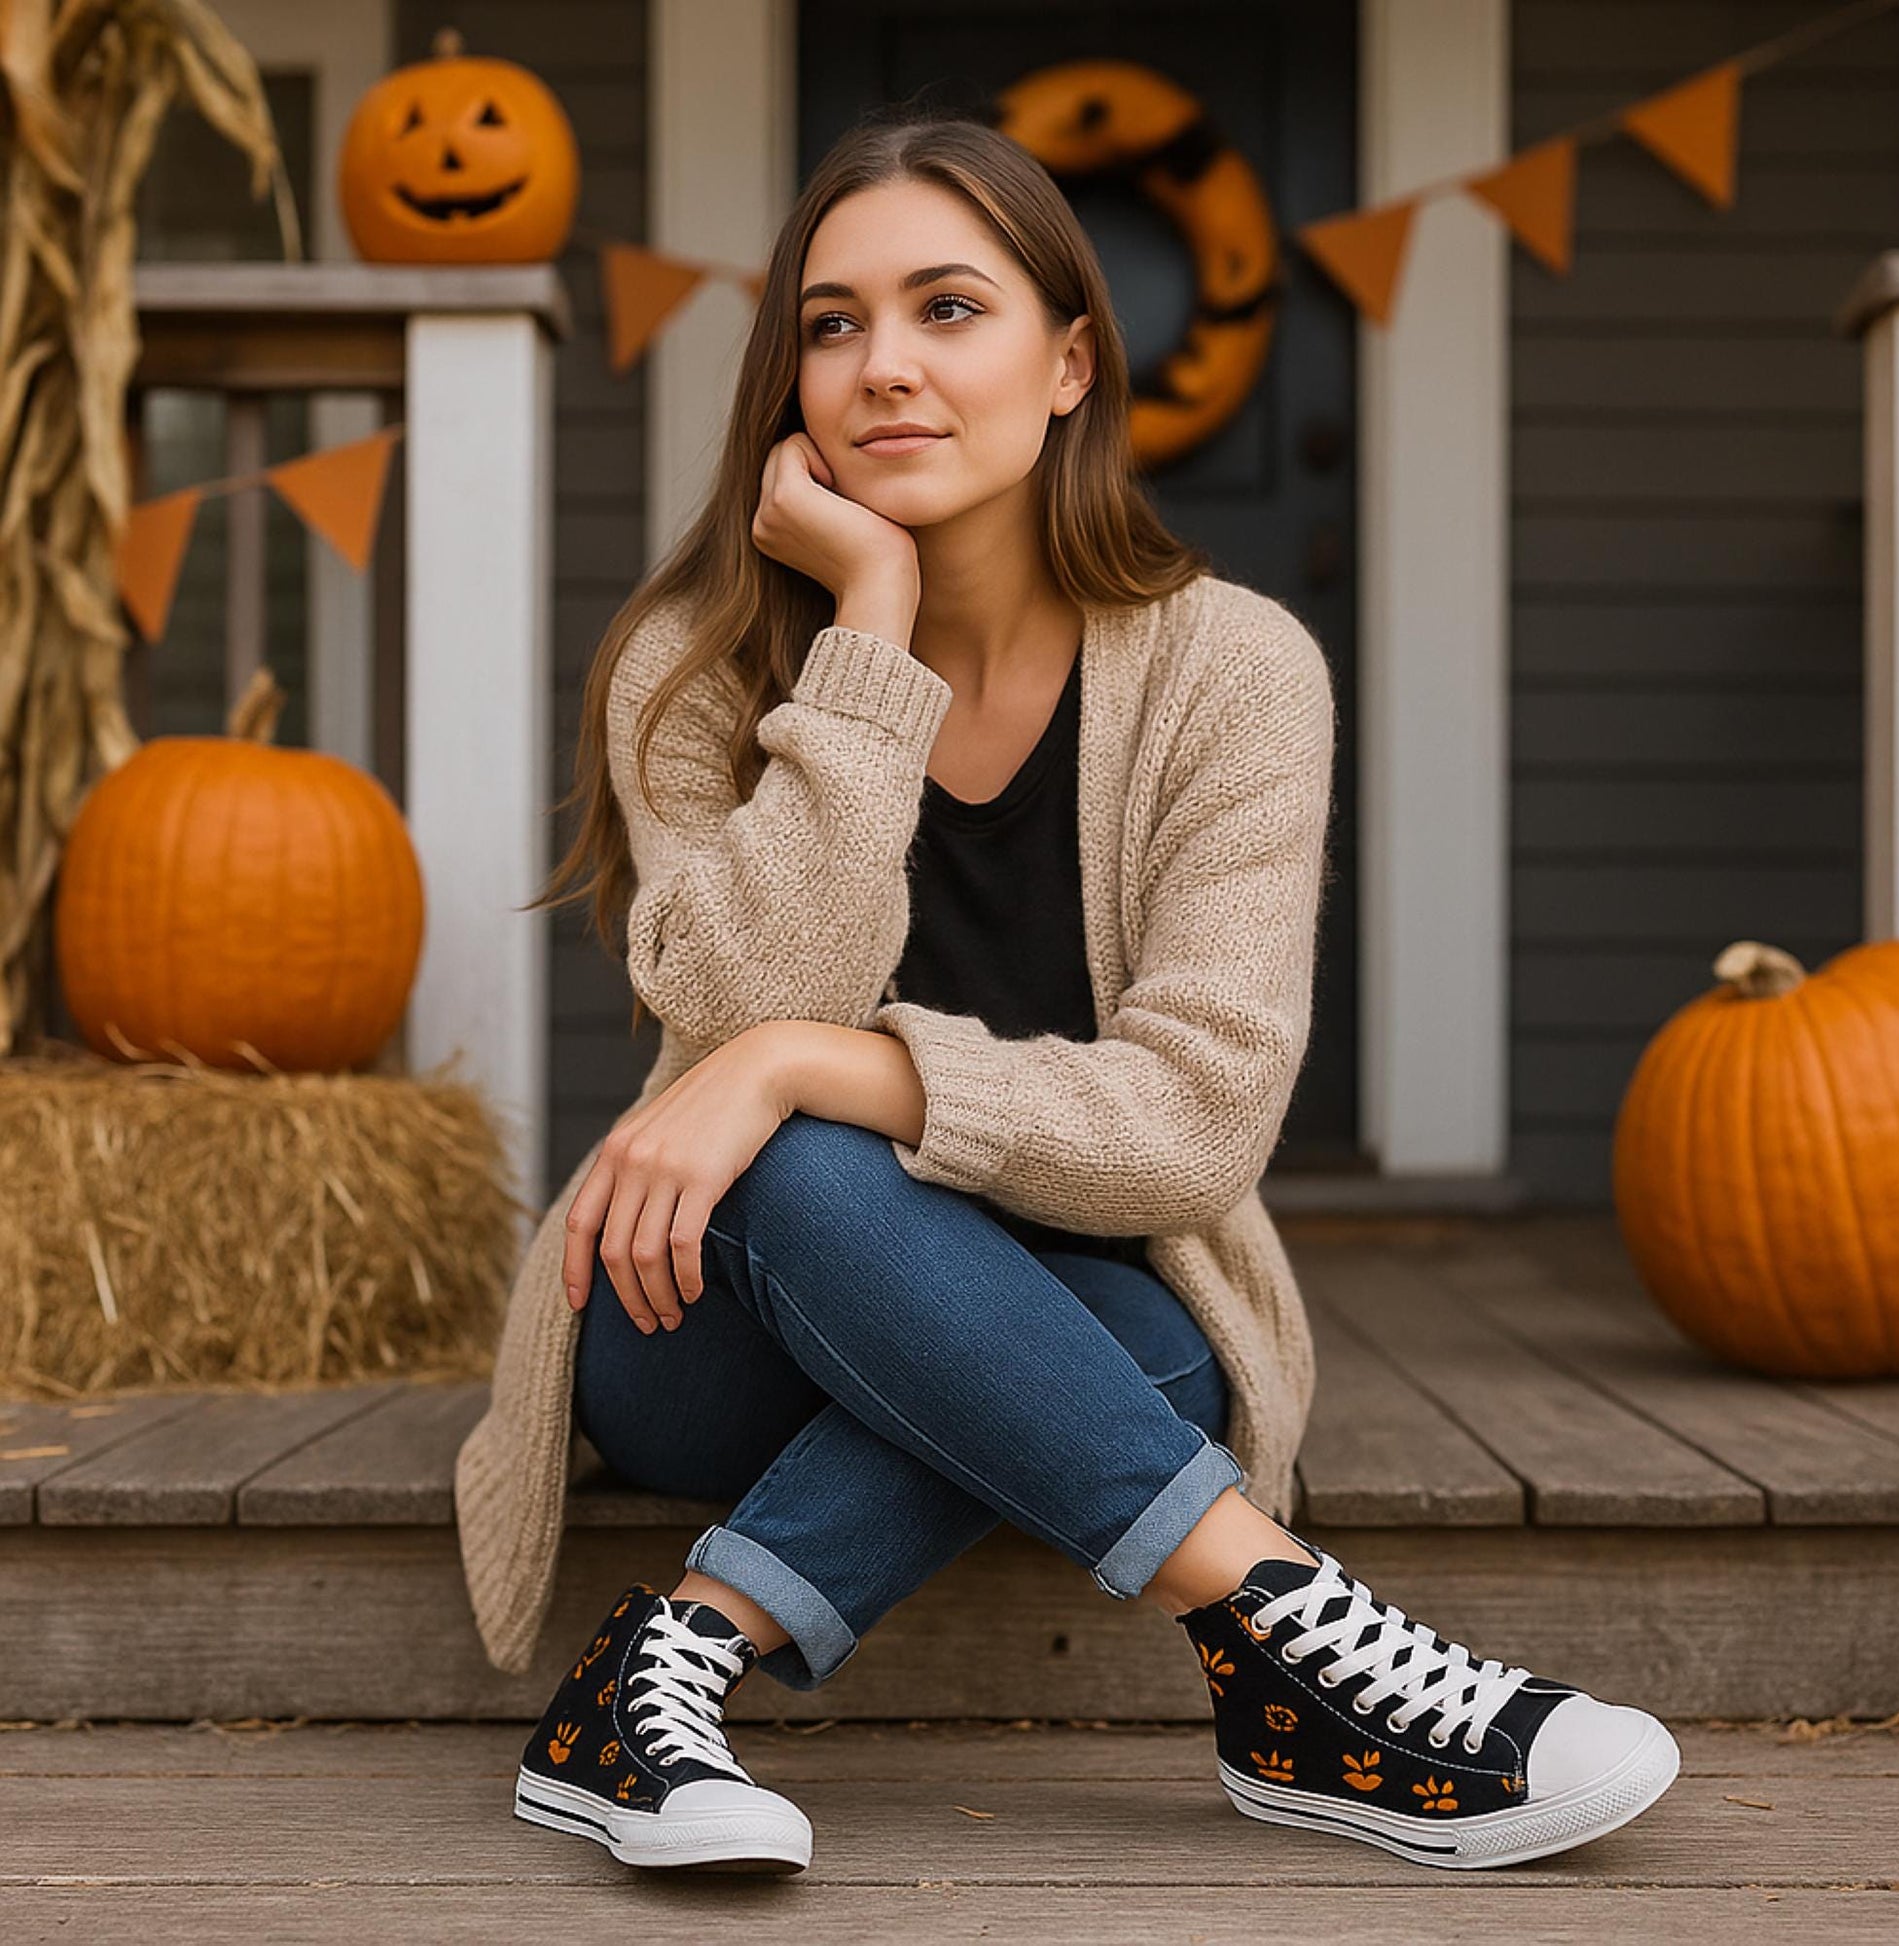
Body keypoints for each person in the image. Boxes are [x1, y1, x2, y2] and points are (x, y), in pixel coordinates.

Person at [458, 104, 1681, 1879]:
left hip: (1063, 1312)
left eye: (948, 308)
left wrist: (818, 1055)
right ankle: (1289, 1644)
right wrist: (865, 621)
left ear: (1067, 365)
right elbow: (740, 1013)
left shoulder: (1233, 673)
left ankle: (666, 1665)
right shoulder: (702, 662)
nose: (883, 366)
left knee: (1153, 1332)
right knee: (808, 1158)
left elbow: (1192, 1132)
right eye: (831, 322)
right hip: (692, 1315)